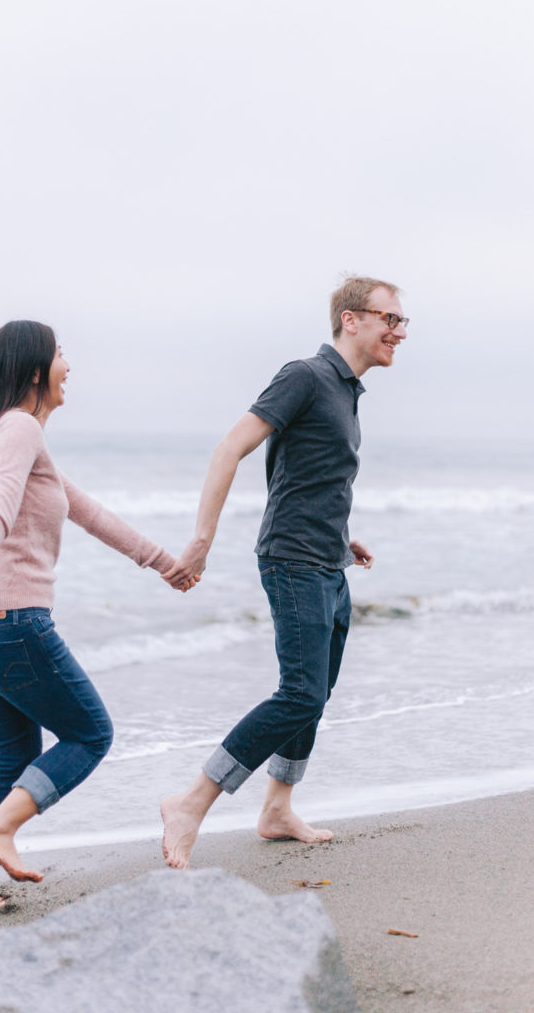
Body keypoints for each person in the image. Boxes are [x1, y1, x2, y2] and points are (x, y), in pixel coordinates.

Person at [0, 320, 196, 917]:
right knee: (90, 734)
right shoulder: (19, 428)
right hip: (13, 623)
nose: (68, 365)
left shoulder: (12, 435)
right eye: (60, 354)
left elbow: (89, 513)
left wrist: (163, 564)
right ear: (33, 370)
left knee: (11, 760)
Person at [160, 275, 408, 868]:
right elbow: (231, 448)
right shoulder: (306, 375)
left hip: (327, 560)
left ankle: (276, 809)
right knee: (298, 694)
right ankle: (191, 802)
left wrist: (339, 533)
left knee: (315, 693)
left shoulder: (346, 390)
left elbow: (305, 473)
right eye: (389, 319)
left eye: (402, 322)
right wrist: (200, 542)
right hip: (292, 562)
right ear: (352, 319)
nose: (399, 332)